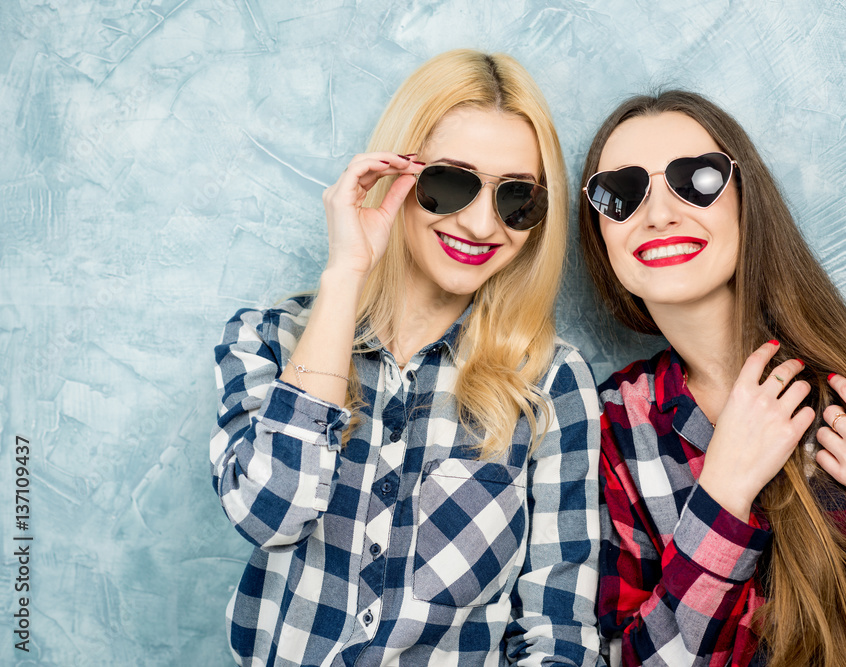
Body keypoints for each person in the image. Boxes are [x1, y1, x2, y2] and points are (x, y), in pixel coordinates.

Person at [578, 90, 846, 667]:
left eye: (695, 179)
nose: (658, 214)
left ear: (748, 200)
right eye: (621, 194)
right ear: (599, 234)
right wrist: (723, 492)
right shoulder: (612, 425)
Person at [210, 49, 601, 667]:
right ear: (394, 174)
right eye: (451, 183)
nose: (480, 225)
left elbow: (559, 629)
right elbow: (267, 513)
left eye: (516, 199)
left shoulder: (550, 380)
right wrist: (346, 275)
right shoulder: (269, 339)